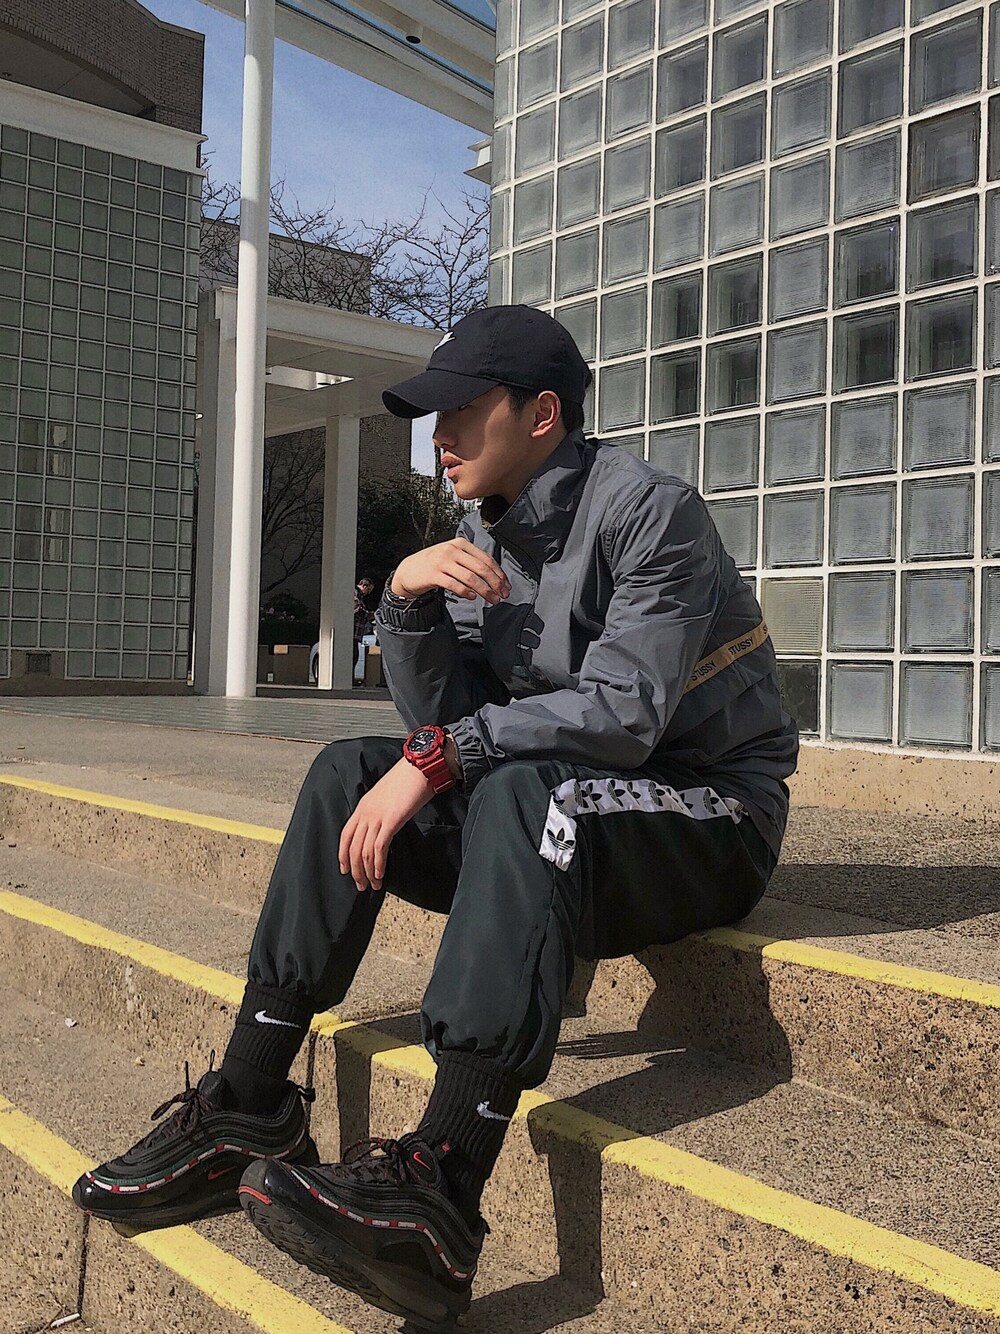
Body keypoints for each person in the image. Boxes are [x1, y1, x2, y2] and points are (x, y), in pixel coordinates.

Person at [73, 305, 798, 1329]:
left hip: (707, 812)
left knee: (522, 786)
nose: (438, 436)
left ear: (542, 413)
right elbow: (445, 723)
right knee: (346, 770)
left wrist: (444, 755)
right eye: (433, 415)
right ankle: (248, 1102)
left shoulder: (651, 513)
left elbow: (624, 715)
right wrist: (407, 607)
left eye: (461, 410)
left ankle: (441, 1189)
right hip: (556, 814)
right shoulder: (482, 532)